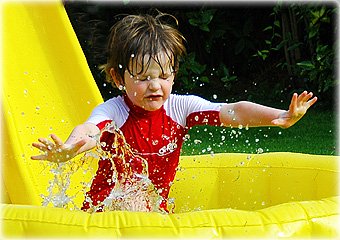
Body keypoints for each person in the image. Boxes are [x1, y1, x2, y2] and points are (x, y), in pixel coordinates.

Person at [31, 13, 317, 213]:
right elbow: (90, 130)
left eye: (164, 75)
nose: (154, 85)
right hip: (106, 213)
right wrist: (71, 146)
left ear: (173, 74)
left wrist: (279, 116)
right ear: (119, 79)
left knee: (147, 208)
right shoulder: (115, 111)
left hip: (154, 210)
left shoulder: (180, 108)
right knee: (133, 203)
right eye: (142, 77)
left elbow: (233, 111)